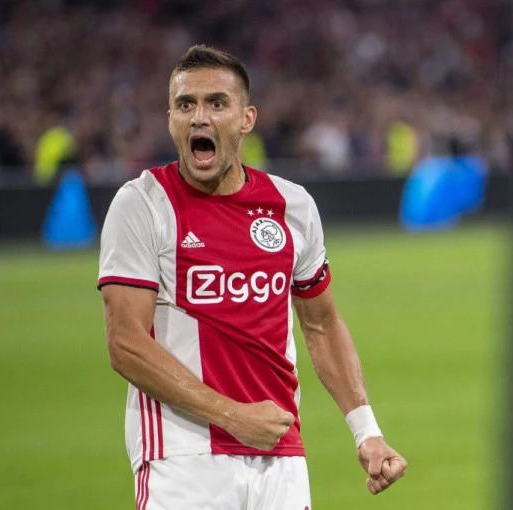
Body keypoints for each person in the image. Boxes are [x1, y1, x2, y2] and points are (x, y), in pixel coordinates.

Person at [98, 45, 407, 510]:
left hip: (281, 458)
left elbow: (322, 325)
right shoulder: (142, 204)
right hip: (183, 458)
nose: (199, 117)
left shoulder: (293, 206)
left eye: (216, 103)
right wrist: (232, 416)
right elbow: (125, 343)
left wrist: (367, 432)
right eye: (186, 104)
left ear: (246, 119)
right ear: (170, 118)